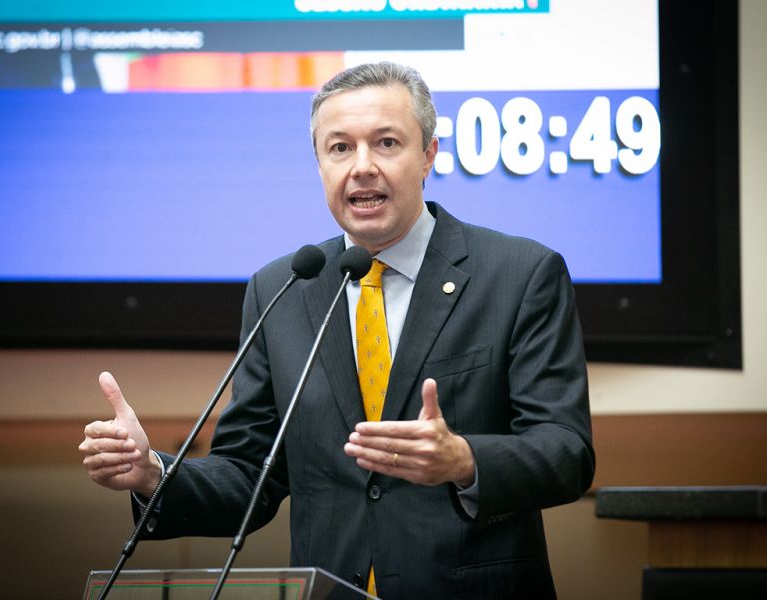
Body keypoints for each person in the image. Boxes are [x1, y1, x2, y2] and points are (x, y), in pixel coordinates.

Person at [80, 62, 594, 599]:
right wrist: (151, 474)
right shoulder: (282, 287)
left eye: (387, 143)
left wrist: (464, 460)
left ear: (429, 156)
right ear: (320, 163)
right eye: (340, 148)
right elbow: (248, 472)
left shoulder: (519, 273)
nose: (362, 167)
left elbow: (565, 451)